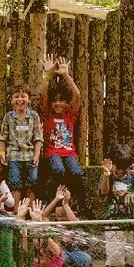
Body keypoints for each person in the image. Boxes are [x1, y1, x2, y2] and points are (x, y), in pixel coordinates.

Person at [37, 55, 86, 214]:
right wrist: (48, 75)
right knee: (59, 170)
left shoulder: (70, 115)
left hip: (69, 152)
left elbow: (77, 95)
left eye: (62, 100)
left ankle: (83, 204)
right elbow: (43, 96)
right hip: (52, 152)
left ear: (67, 103)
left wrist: (65, 74)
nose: (58, 103)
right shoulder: (47, 115)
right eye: (55, 100)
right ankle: (49, 200)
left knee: (77, 173)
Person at [43, 185, 94, 267]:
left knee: (86, 259)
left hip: (77, 252)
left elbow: (75, 224)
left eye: (63, 215)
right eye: (58, 216)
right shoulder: (56, 224)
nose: (60, 218)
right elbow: (43, 215)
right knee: (55, 259)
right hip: (61, 253)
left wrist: (66, 204)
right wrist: (56, 199)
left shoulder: (77, 219)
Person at [0, 83, 43, 209]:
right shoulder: (8, 117)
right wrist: (2, 154)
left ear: (28, 99)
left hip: (30, 155)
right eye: (16, 97)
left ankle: (32, 210)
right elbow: (3, 137)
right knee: (15, 182)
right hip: (14, 155)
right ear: (12, 100)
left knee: (32, 182)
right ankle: (18, 211)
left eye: (23, 96)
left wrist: (37, 155)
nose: (20, 100)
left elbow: (38, 138)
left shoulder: (34, 116)